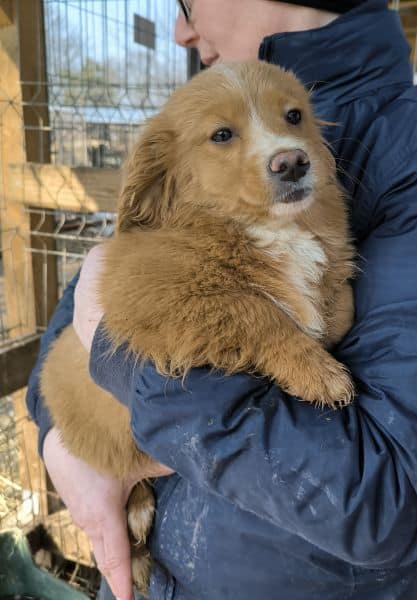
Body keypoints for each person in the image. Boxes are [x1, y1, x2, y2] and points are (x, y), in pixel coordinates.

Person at [26, 0, 417, 599]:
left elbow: (385, 502)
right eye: (224, 135)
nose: (181, 30)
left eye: (186, 1)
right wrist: (64, 448)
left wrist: (125, 367)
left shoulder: (396, 155)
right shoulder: (187, 135)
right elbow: (71, 334)